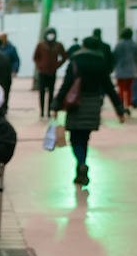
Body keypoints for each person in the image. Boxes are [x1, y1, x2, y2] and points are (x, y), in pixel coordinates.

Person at [51, 37, 126, 188]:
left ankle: (81, 163)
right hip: (93, 104)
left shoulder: (75, 61)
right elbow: (109, 88)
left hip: (75, 104)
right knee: (84, 137)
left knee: (75, 138)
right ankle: (81, 164)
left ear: (83, 46)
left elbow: (66, 84)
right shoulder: (101, 62)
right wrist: (119, 109)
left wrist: (56, 104)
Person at [33, 26, 68, 118]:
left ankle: (49, 110)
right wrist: (40, 66)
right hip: (42, 72)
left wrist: (57, 65)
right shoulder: (41, 45)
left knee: (51, 92)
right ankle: (42, 111)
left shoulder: (58, 45)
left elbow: (64, 56)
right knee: (42, 92)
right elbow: (36, 57)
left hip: (52, 72)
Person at [112, 27, 137, 113]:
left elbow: (114, 57)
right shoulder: (135, 45)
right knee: (129, 89)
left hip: (120, 70)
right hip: (131, 70)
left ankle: (121, 104)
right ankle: (128, 105)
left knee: (121, 88)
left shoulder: (118, 45)